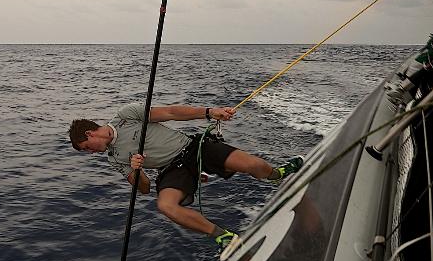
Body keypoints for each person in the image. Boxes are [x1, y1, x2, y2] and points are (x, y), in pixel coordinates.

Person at [69, 103, 303, 252]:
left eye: (87, 147)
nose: (91, 152)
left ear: (90, 133)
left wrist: (209, 113)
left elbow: (170, 112)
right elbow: (144, 188)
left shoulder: (126, 116)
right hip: (172, 169)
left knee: (254, 165)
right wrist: (137, 170)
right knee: (166, 206)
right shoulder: (113, 158)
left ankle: (277, 174)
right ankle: (224, 237)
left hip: (193, 148)